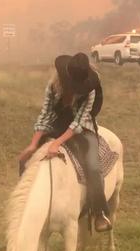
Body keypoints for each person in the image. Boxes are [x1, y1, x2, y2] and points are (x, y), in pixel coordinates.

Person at [18, 53, 111, 232]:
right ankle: (25, 204)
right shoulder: (53, 86)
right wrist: (33, 143)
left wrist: (57, 143)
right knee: (25, 160)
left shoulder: (91, 89)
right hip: (58, 124)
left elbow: (79, 122)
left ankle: (99, 212)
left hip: (83, 127)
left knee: (92, 165)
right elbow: (45, 115)